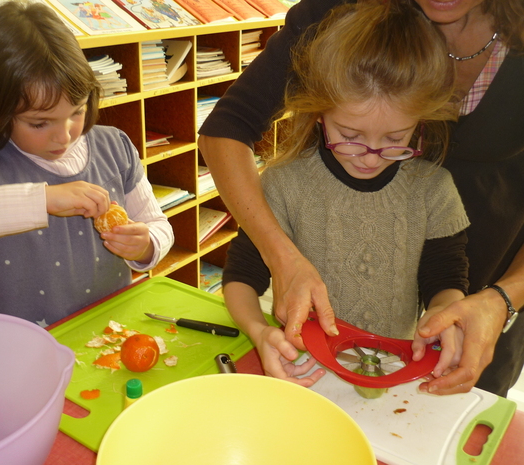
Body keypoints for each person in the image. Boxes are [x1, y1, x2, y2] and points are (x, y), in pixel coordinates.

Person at [199, 0, 524, 397]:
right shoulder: (286, 185)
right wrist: (259, 328)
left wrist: (445, 317)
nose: (371, 156)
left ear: (421, 123)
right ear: (319, 112)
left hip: (397, 370)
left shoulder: (434, 190)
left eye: (394, 140)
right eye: (351, 136)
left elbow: (445, 276)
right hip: (304, 371)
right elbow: (242, 274)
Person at [0, 1, 174, 327]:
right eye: (39, 123)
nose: (64, 136)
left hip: (109, 332)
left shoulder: (113, 145)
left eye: (77, 111)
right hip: (24, 345)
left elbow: (158, 225)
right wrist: (43, 199)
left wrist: (146, 245)